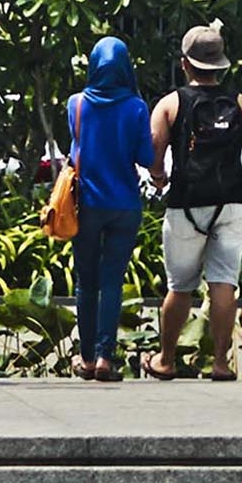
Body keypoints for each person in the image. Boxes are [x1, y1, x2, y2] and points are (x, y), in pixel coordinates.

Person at [147, 21, 242, 380]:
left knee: (180, 286)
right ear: (221, 65)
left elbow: (155, 150)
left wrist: (158, 175)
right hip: (231, 204)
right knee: (224, 283)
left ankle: (165, 360)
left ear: (185, 63)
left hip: (186, 204)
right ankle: (220, 363)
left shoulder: (170, 103)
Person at [64, 36, 152, 382]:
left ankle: (86, 358)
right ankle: (105, 357)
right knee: (112, 280)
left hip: (86, 204)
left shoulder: (77, 104)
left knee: (86, 281)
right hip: (125, 205)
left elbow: (75, 148)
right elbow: (145, 157)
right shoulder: (136, 107)